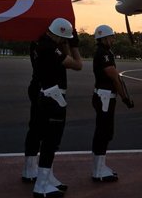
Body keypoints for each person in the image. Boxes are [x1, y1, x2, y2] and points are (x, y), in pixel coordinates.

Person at [23, 21, 81, 186]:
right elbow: (77, 65)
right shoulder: (50, 47)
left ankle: (30, 169)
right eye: (63, 39)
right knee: (51, 138)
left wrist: (64, 44)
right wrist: (74, 46)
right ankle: (42, 179)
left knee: (35, 130)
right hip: (51, 92)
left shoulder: (37, 43)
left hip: (38, 87)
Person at [91, 25, 134, 182]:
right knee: (104, 132)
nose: (113, 39)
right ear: (103, 38)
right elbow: (114, 77)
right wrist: (125, 97)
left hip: (104, 96)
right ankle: (98, 169)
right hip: (104, 97)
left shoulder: (104, 52)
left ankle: (99, 166)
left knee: (103, 132)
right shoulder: (104, 54)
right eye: (111, 37)